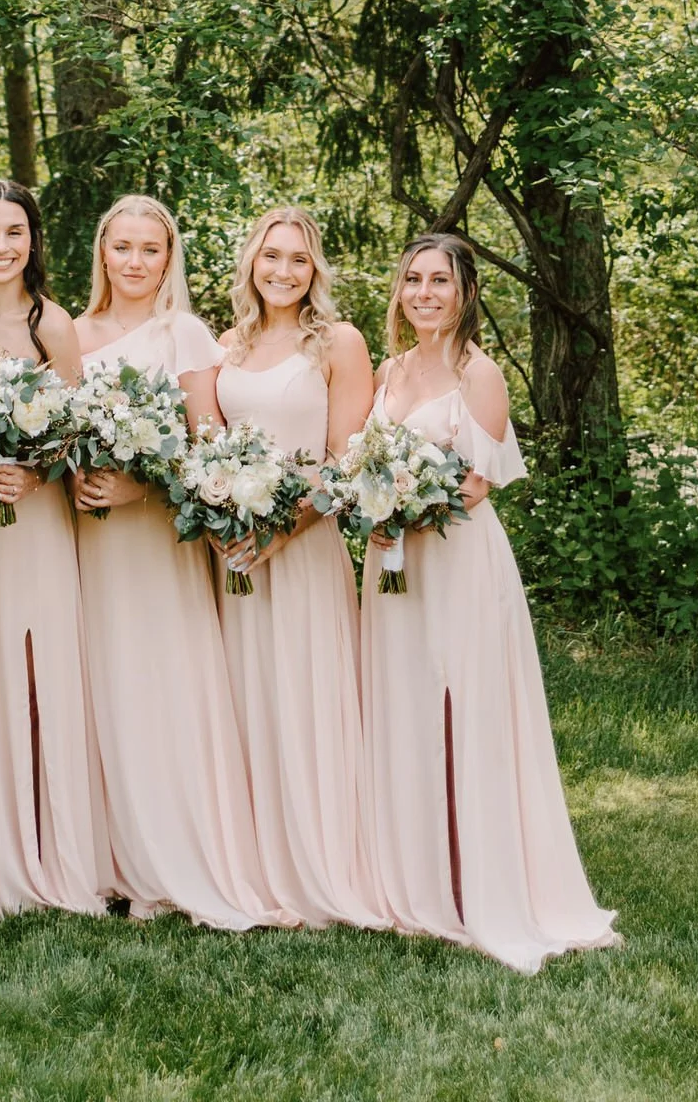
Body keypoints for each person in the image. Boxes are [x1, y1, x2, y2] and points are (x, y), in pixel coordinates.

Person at [362, 234, 619, 971]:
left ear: (465, 291)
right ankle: (420, 885)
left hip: (459, 560)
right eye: (413, 279)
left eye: (439, 280)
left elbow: (475, 484)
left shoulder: (480, 373)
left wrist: (406, 504)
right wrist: (373, 503)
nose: (424, 293)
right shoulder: (391, 369)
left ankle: (487, 884)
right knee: (405, 709)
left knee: (467, 711)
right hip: (391, 565)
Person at [73, 194, 287, 929]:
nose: (135, 262)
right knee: (105, 690)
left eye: (150, 249)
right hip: (92, 543)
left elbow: (206, 444)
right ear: (103, 253)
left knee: (166, 686)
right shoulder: (73, 333)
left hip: (158, 536)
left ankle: (177, 859)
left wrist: (138, 488)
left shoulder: (186, 334)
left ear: (169, 259)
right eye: (122, 247)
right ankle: (113, 861)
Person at [0, 178, 108, 916]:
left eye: (14, 233)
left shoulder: (55, 326)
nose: (1, 247)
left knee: (43, 676)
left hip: (33, 522)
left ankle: (52, 846)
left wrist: (35, 474)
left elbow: (75, 436)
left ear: (33, 241)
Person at [214, 204, 386, 930]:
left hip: (303, 546)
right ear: (251, 262)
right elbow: (208, 445)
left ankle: (320, 863)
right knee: (246, 699)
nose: (283, 271)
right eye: (271, 256)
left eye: (298, 259)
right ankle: (250, 868)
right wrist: (224, 508)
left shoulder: (338, 343)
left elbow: (348, 460)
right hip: (233, 552)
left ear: (315, 270)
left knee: (306, 696)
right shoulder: (228, 343)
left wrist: (284, 529)